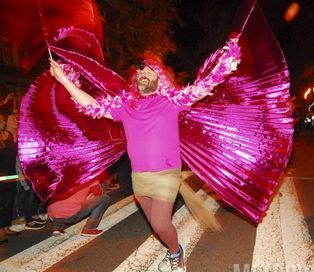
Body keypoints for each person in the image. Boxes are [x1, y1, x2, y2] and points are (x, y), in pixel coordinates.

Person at [49, 38, 240, 272]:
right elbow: (91, 106)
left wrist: (225, 66)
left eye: (149, 71)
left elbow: (203, 86)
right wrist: (64, 79)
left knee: (160, 223)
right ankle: (172, 249)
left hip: (166, 174)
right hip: (139, 178)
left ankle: (175, 253)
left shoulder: (172, 101)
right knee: (154, 224)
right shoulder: (126, 107)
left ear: (160, 78)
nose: (143, 75)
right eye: (140, 73)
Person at [0, 112, 21, 244]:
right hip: (1, 175)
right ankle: (0, 231)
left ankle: (6, 227)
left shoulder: (11, 136)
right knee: (0, 204)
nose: (2, 123)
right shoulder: (2, 137)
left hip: (11, 174)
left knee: (9, 202)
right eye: (1, 121)